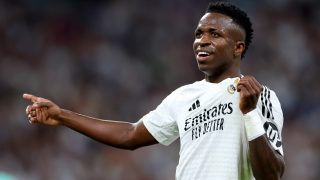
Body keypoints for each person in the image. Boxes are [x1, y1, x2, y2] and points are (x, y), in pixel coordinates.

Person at [23, 1, 285, 180]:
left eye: (214, 34)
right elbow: (129, 135)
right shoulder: (183, 97)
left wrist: (249, 114)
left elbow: (271, 175)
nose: (202, 40)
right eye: (198, 33)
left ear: (238, 48)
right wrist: (62, 116)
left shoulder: (258, 95)